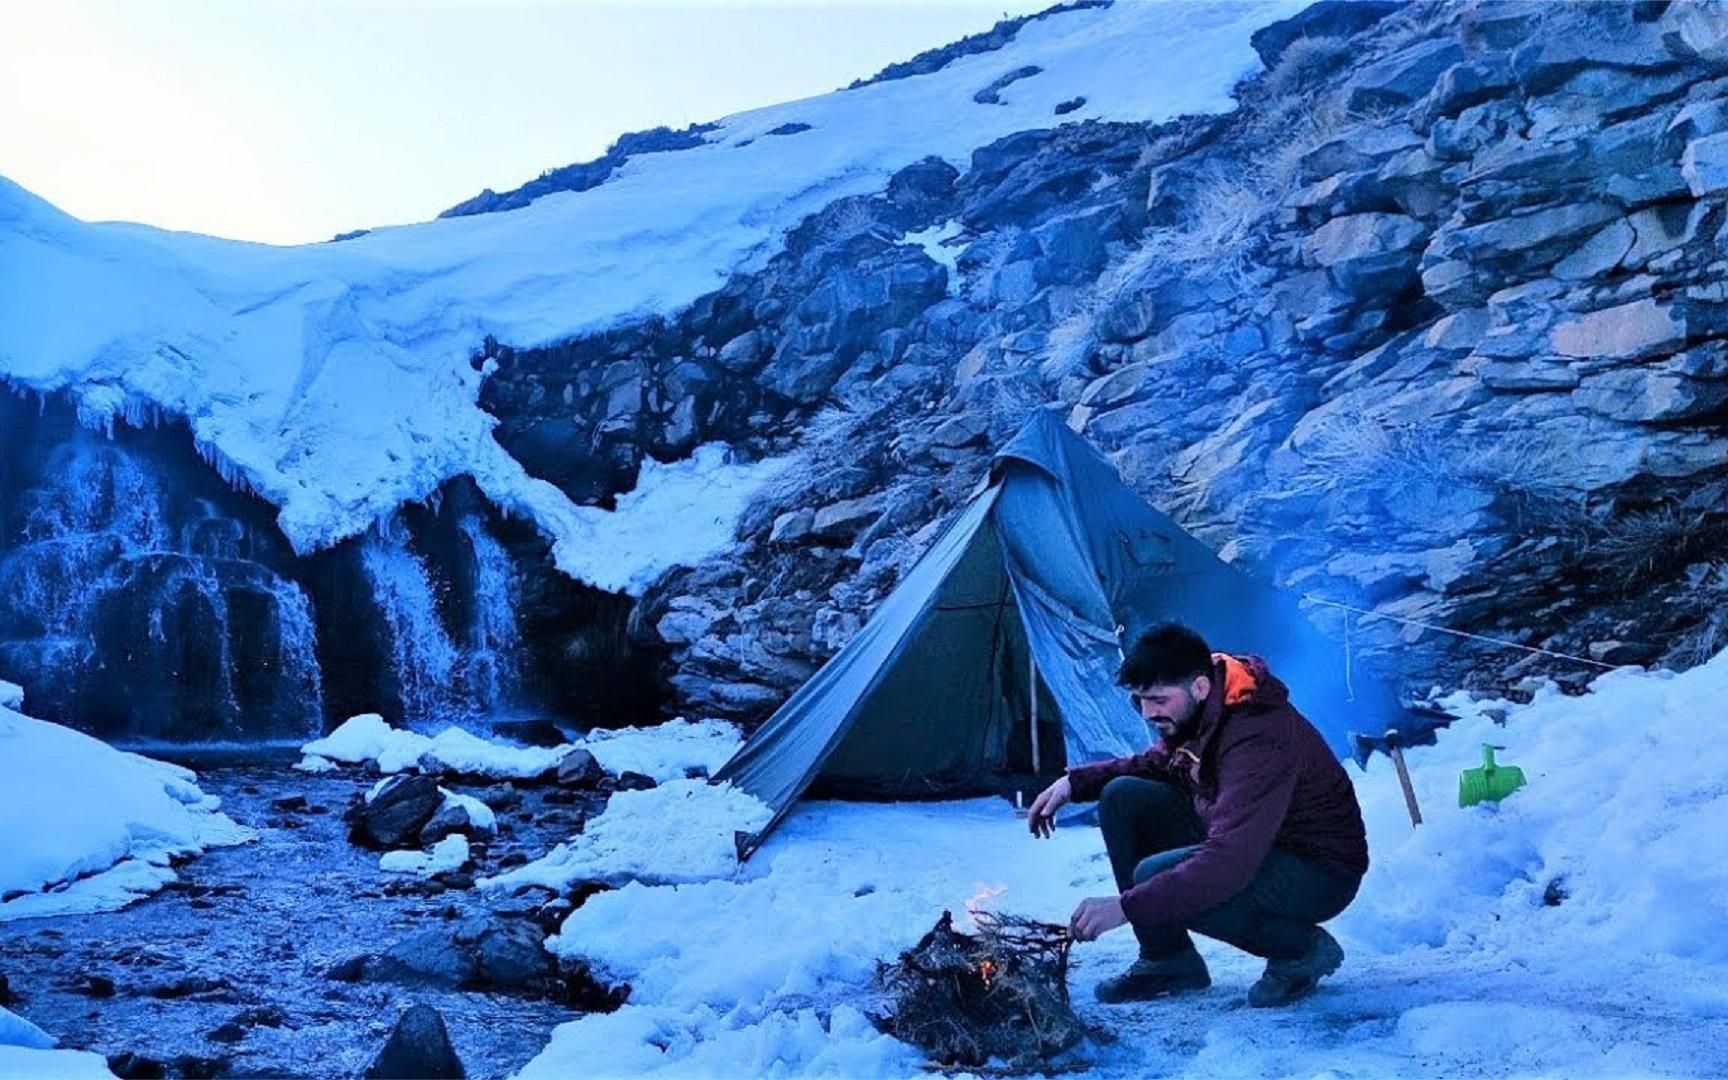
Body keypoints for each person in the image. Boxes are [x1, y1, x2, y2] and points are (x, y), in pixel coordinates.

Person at [1026, 622, 1368, 1007]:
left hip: (1317, 869)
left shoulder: (1257, 736)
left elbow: (1229, 861)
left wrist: (1127, 907)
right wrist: (1074, 784)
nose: (1148, 713)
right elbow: (1156, 762)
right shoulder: (1203, 712)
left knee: (1154, 877)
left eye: (1158, 700)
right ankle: (1167, 958)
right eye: (1140, 700)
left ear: (1200, 687)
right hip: (1256, 841)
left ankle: (1300, 950)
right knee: (1124, 796)